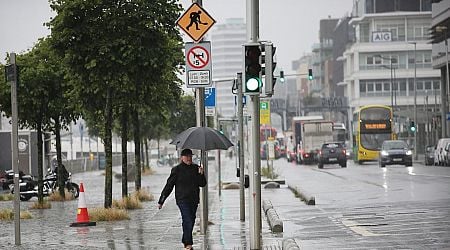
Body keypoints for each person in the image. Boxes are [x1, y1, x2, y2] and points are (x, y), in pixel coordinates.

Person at [158, 148, 206, 250]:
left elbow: (202, 184)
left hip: (193, 199)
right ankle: (188, 244)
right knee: (187, 219)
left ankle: (185, 240)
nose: (189, 158)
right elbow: (169, 186)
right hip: (182, 200)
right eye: (187, 156)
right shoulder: (176, 170)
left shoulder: (196, 168)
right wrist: (161, 200)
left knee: (191, 220)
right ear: (182, 158)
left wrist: (201, 174)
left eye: (190, 156)